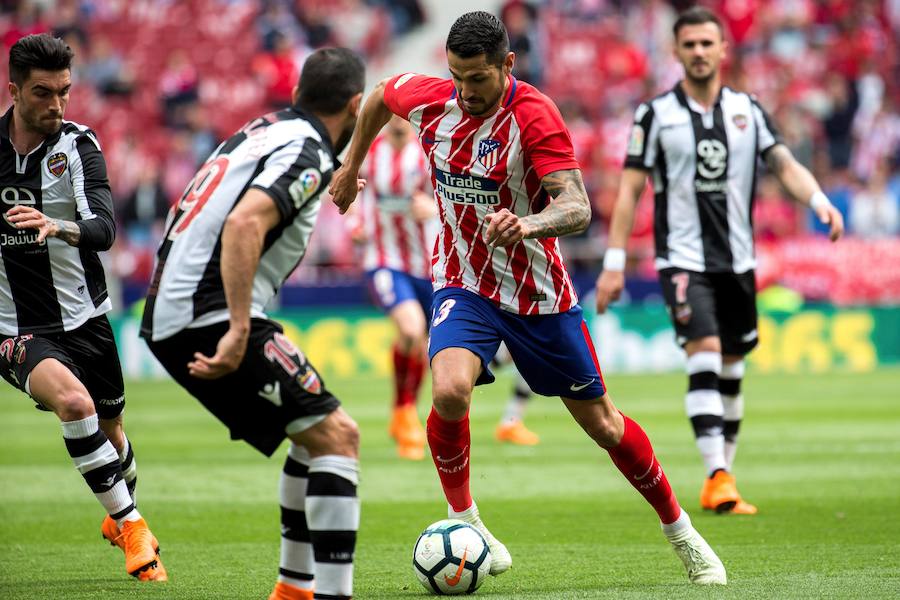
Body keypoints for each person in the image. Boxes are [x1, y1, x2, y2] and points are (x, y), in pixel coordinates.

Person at [331, 11, 726, 586]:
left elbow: (577, 206)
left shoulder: (535, 115)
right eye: (458, 77)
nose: (466, 91)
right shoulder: (431, 99)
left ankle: (680, 530)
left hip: (538, 294)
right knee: (448, 389)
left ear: (508, 65)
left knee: (605, 425)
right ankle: (466, 520)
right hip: (462, 280)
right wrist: (349, 168)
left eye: (479, 79)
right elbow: (375, 98)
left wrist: (529, 224)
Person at [595, 7, 844, 516]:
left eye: (708, 43)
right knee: (705, 352)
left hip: (738, 260)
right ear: (677, 51)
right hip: (682, 260)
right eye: (690, 45)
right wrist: (614, 261)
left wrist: (817, 199)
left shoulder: (748, 111)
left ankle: (722, 479)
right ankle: (717, 473)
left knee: (732, 368)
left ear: (723, 50)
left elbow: (783, 163)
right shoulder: (655, 114)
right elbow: (630, 192)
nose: (700, 52)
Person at [141, 48, 365, 600]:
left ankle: (293, 588)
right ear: (354, 105)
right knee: (340, 436)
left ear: (297, 95)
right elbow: (245, 223)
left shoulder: (264, 129)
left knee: (311, 438)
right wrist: (239, 327)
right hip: (209, 312)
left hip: (175, 304)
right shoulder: (308, 150)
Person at [0, 34, 165, 582]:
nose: (56, 105)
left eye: (64, 92)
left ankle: (120, 510)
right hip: (14, 326)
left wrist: (56, 225)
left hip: (86, 317)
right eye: (43, 93)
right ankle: (135, 527)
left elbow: (104, 229)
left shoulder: (77, 145)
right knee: (75, 405)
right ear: (15, 90)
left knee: (112, 433)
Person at [351, 115, 437, 460]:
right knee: (412, 329)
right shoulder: (371, 153)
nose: (397, 120)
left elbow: (451, 200)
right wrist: (356, 221)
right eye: (390, 114)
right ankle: (403, 413)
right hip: (384, 260)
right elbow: (353, 188)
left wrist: (431, 208)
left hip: (428, 265)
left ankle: (404, 414)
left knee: (425, 346)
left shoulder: (430, 155)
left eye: (404, 114)